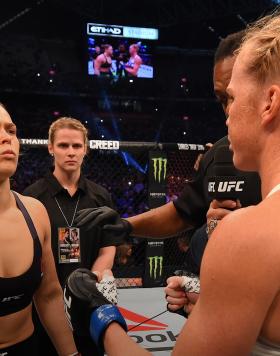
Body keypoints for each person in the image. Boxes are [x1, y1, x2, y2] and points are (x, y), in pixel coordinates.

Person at [67, 16, 280, 353]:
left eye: (233, 97)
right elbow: (184, 211)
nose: (225, 112)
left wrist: (98, 315)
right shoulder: (220, 158)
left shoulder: (246, 235)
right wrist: (216, 295)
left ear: (269, 102)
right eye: (221, 98)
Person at [23, 117, 119, 355]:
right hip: (44, 306)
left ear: (85, 149)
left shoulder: (100, 196)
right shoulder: (33, 197)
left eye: (77, 146)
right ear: (50, 147)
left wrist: (91, 285)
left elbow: (108, 249)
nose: (71, 152)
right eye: (63, 145)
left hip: (88, 304)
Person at [0, 104, 78, 355]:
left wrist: (71, 354)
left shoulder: (35, 212)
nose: (6, 138)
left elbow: (49, 295)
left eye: (10, 130)